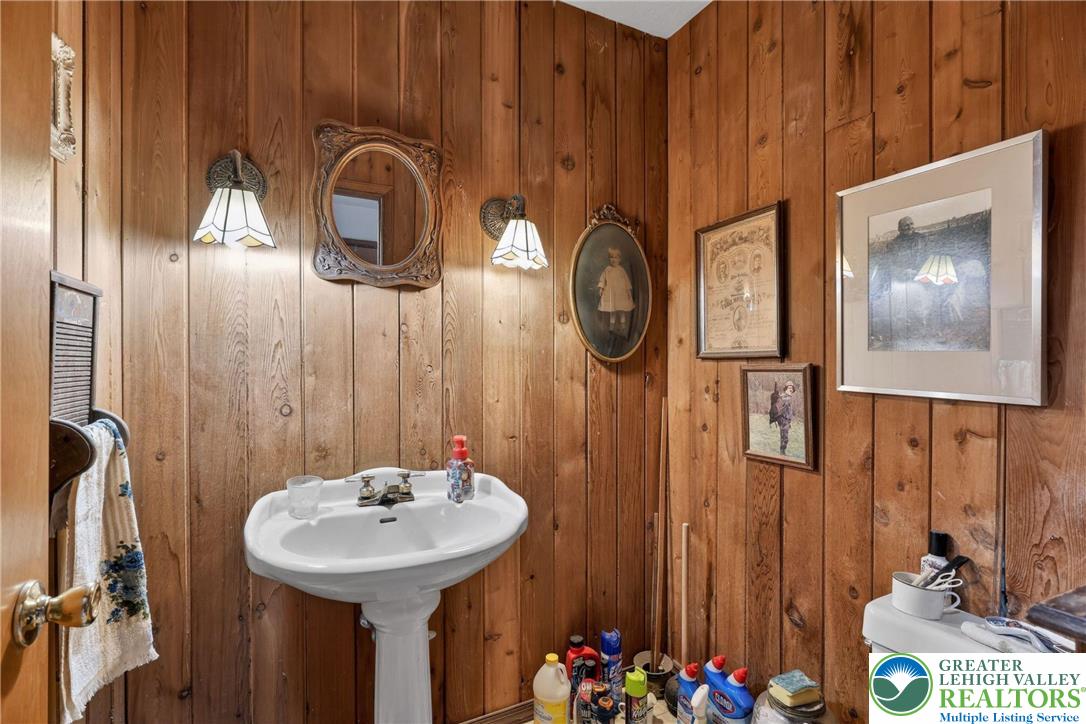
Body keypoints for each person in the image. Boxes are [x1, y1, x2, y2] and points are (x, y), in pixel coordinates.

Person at [597, 247, 635, 338]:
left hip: (620, 294)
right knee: (612, 310)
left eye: (616, 257)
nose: (613, 259)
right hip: (611, 294)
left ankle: (623, 327)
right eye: (611, 257)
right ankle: (611, 328)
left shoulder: (621, 270)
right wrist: (601, 288)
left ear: (619, 259)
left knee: (622, 310)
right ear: (609, 259)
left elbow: (626, 282)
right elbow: (603, 279)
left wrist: (629, 292)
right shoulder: (607, 269)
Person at [769, 380, 797, 455]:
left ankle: (783, 451)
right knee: (784, 438)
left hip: (786, 420)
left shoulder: (788, 397)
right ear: (786, 389)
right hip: (783, 420)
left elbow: (788, 410)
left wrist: (789, 421)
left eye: (792, 388)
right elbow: (780, 409)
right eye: (789, 388)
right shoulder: (784, 397)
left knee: (785, 437)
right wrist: (784, 421)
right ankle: (782, 453)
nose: (791, 389)